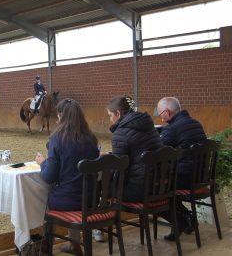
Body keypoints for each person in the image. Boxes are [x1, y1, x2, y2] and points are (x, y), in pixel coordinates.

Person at [36, 98, 100, 255]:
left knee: (44, 197)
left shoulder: (57, 138)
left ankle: (44, 247)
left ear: (61, 116)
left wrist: (43, 162)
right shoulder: (91, 139)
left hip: (68, 201)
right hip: (91, 200)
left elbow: (49, 177)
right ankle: (74, 245)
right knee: (71, 189)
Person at [156, 97, 207, 240]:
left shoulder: (172, 129)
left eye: (160, 114)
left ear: (167, 112)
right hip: (201, 176)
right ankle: (187, 219)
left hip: (186, 177)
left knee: (157, 188)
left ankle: (183, 219)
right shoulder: (196, 123)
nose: (160, 117)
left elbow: (157, 152)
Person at [107, 96, 163, 202]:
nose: (110, 119)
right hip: (159, 184)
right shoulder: (149, 126)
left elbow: (118, 167)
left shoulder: (121, 132)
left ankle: (108, 218)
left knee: (105, 188)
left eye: (110, 115)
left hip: (139, 189)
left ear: (118, 114)